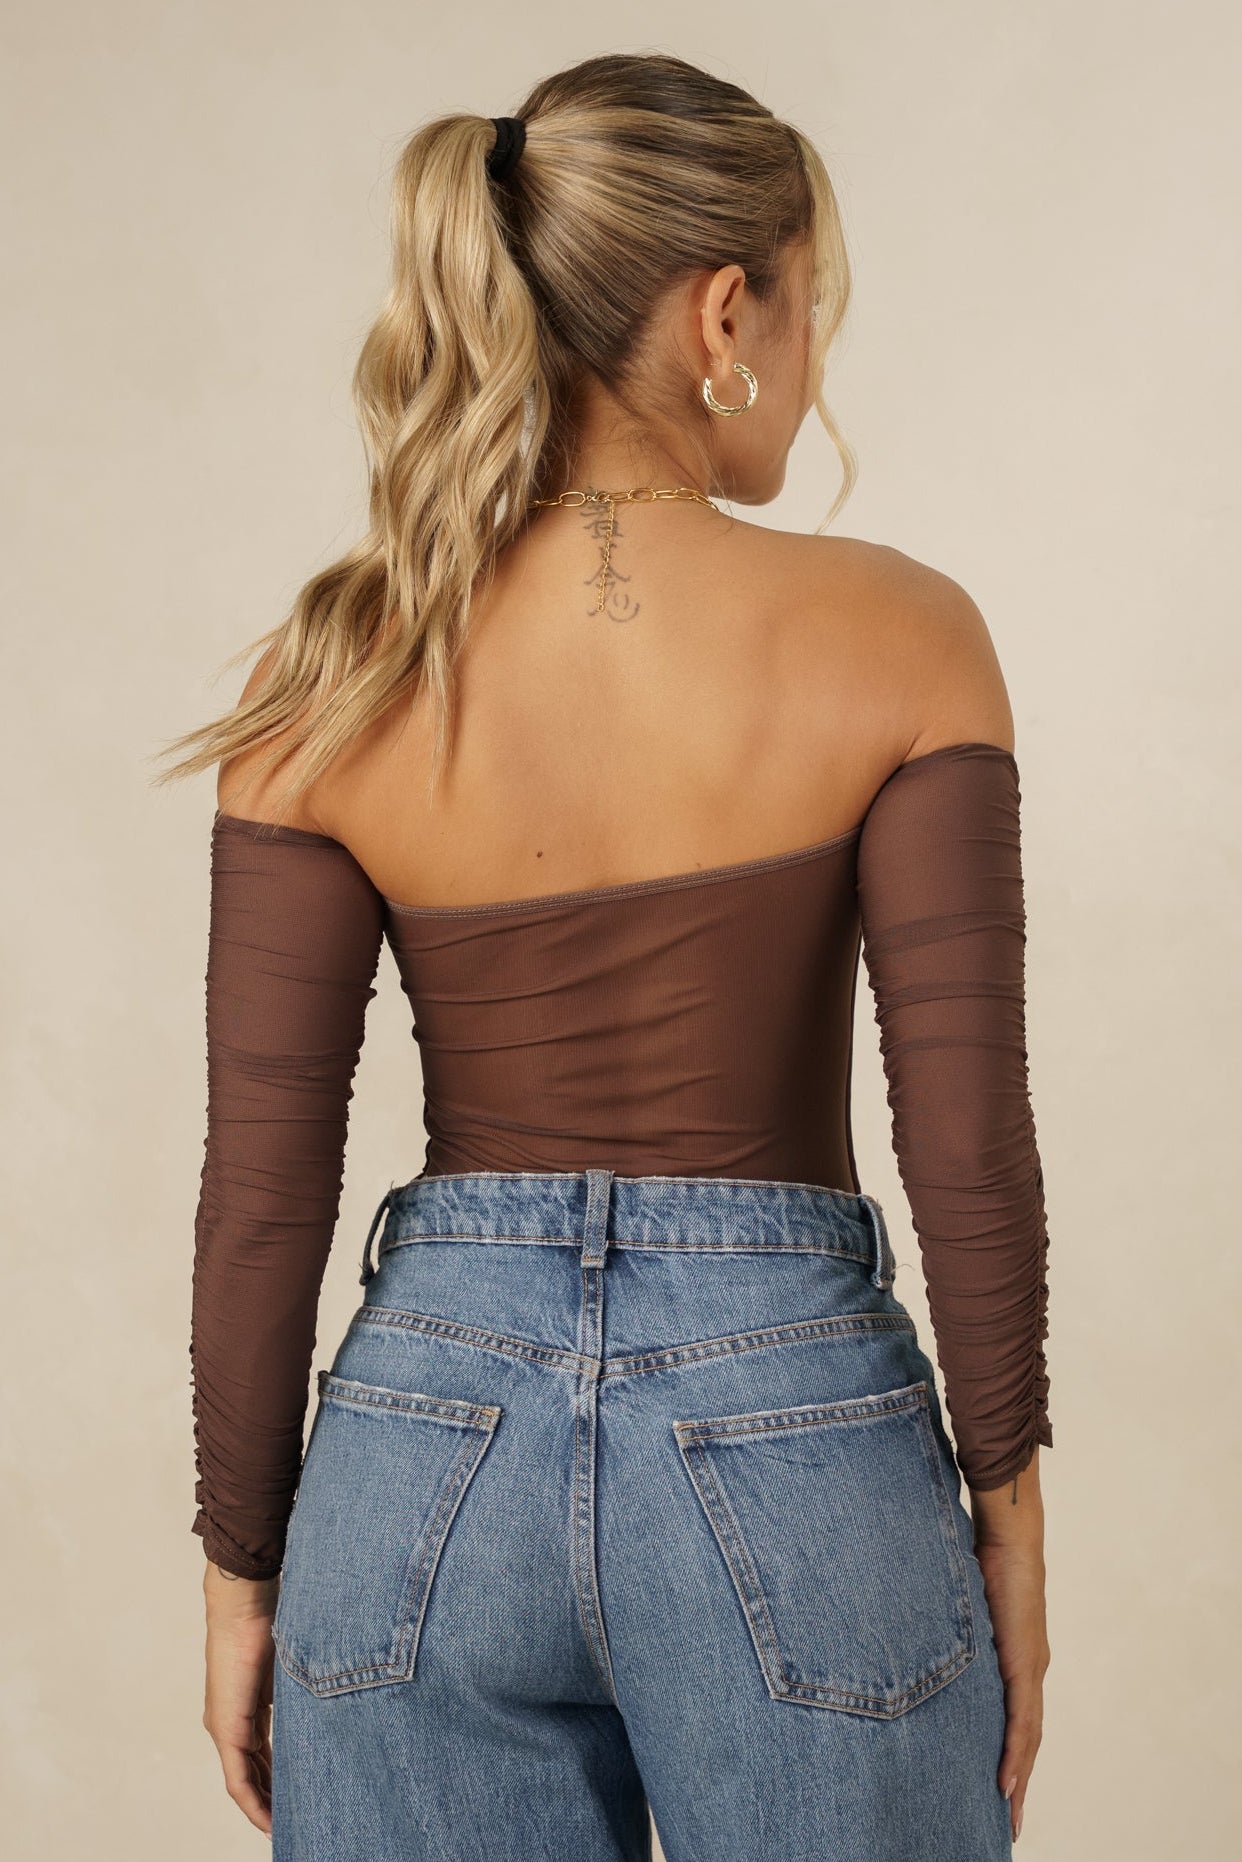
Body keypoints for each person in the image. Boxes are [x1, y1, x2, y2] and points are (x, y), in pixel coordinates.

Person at [158, 50, 1052, 1862]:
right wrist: (1011, 1536)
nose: (810, 360)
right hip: (792, 1433)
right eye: (807, 307)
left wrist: (240, 1572)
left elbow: (260, 1197)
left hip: (423, 1448)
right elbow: (965, 1148)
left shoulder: (329, 675)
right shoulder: (898, 634)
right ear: (724, 312)